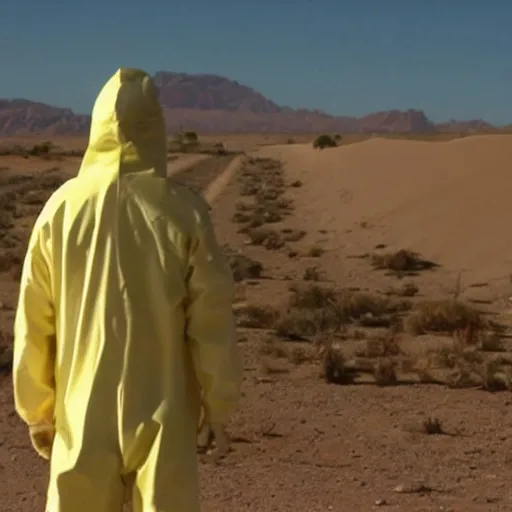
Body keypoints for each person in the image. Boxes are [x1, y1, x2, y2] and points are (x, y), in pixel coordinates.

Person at [12, 68, 242, 512]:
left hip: (80, 414)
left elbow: (34, 321)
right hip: (164, 414)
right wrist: (218, 404)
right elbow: (212, 323)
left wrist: (38, 408)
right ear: (155, 128)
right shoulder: (185, 213)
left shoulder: (59, 211)